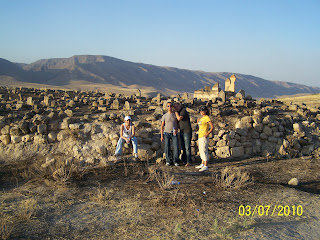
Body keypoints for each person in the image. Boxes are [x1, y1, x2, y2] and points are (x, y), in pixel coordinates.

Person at [173, 102, 192, 166]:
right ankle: (184, 161)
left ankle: (188, 161)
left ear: (180, 105)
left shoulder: (183, 111)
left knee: (187, 147)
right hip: (182, 131)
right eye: (175, 107)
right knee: (183, 147)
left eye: (177, 106)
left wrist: (175, 112)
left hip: (187, 131)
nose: (176, 108)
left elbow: (179, 118)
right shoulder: (178, 112)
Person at [161, 102, 179, 166]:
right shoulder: (164, 116)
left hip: (174, 133)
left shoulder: (174, 114)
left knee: (176, 147)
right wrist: (161, 136)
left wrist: (176, 129)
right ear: (166, 107)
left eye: (170, 106)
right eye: (168, 106)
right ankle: (168, 161)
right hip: (166, 133)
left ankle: (175, 161)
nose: (169, 107)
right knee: (167, 147)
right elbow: (162, 126)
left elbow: (177, 123)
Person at [195, 106, 213, 172]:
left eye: (202, 110)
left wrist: (207, 134)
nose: (201, 112)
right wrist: (198, 122)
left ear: (205, 111)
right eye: (200, 110)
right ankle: (202, 163)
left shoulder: (207, 118)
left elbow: (212, 127)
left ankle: (206, 165)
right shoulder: (202, 118)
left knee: (204, 150)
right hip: (200, 135)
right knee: (201, 150)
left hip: (204, 136)